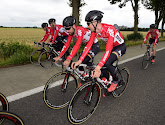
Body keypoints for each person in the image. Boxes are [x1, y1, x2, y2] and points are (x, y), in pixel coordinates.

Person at [79, 10, 126, 93]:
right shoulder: (94, 32)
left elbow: (108, 50)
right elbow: (89, 45)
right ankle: (107, 78)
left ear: (95, 22)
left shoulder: (109, 29)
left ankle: (116, 80)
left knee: (107, 63)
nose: (87, 26)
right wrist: (80, 60)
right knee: (103, 64)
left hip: (120, 47)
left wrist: (98, 68)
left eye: (88, 23)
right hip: (112, 48)